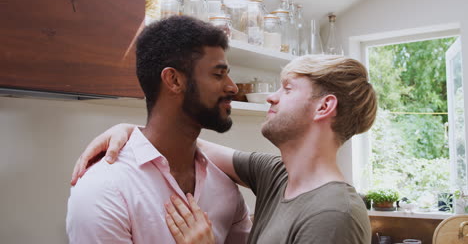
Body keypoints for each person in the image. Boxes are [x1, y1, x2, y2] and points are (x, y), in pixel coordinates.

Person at [73, 55, 377, 243]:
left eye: (287, 88)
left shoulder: (334, 214)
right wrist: (130, 130)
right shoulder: (276, 176)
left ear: (324, 106)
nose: (271, 98)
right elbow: (183, 141)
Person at [66, 15, 252, 244]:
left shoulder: (225, 187)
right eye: (218, 74)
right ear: (174, 80)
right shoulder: (103, 190)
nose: (232, 87)